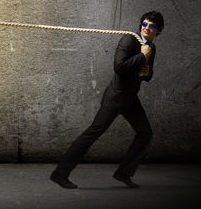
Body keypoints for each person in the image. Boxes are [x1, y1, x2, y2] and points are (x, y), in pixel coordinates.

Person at [50, 11, 165, 189]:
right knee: (92, 134)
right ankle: (60, 174)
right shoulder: (129, 40)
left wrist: (146, 72)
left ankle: (123, 173)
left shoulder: (152, 47)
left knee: (145, 133)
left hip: (130, 99)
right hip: (116, 97)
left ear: (159, 31)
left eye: (152, 27)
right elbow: (119, 67)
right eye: (144, 24)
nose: (146, 29)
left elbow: (148, 75)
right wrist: (142, 56)